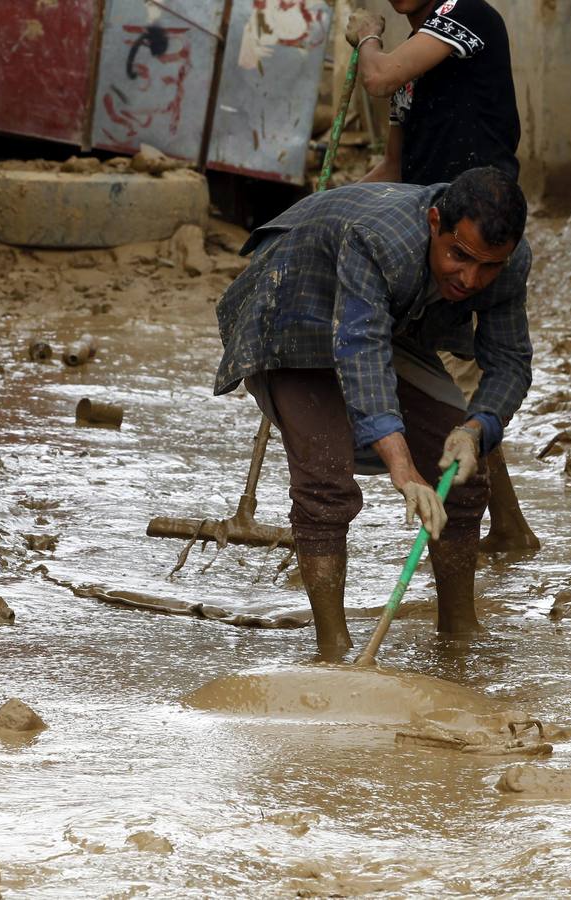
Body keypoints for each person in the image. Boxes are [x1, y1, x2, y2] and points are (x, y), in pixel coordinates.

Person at [214, 167, 532, 659]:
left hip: (382, 319)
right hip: (295, 308)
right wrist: (402, 469)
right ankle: (334, 651)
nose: (471, 279)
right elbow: (360, 351)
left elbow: (510, 360)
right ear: (434, 222)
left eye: (487, 267)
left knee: (462, 473)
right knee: (325, 482)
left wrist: (476, 428)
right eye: (459, 256)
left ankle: (459, 631)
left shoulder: (508, 261)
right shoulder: (381, 242)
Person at [343, 0, 541, 555]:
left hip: (478, 240)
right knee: (454, 393)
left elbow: (378, 76)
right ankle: (508, 526)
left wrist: (366, 37)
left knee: (469, 387)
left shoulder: (467, 15)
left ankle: (499, 525)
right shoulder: (415, 65)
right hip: (426, 247)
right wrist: (332, 210)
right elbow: (394, 169)